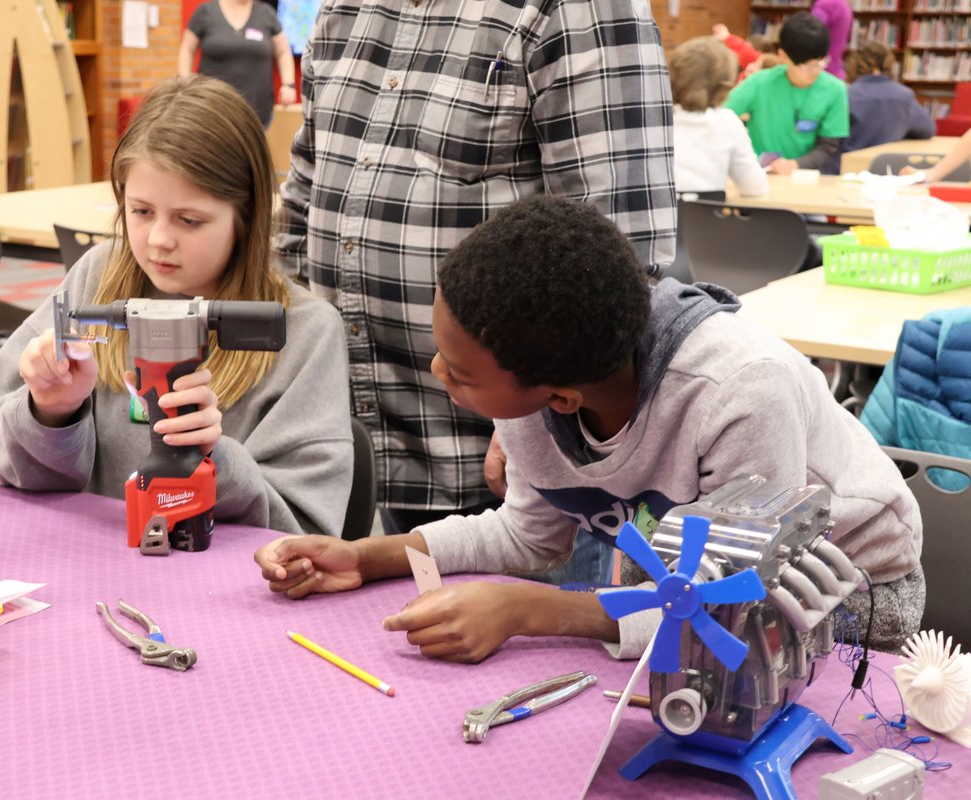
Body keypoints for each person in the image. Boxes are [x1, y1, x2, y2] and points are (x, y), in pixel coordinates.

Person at [255, 194, 924, 663]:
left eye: (459, 371)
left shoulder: (738, 392)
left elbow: (729, 606)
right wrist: (365, 558)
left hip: (851, 589)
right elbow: (525, 535)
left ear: (563, 397)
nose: (437, 371)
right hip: (689, 580)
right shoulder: (542, 387)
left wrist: (527, 613)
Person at [273, 0, 676, 548]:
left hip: (525, 461)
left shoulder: (573, 8)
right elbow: (302, 202)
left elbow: (620, 253)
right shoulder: (345, 8)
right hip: (368, 429)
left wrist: (532, 429)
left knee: (557, 628)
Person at [0, 76, 353, 536]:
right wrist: (50, 413)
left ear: (247, 219)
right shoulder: (97, 278)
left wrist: (214, 463)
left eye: (189, 220)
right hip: (86, 568)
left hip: (216, 598)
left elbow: (308, 532)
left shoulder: (305, 333)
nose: (159, 240)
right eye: (141, 211)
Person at [725, 12, 849, 175]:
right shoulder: (759, 83)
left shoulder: (835, 90)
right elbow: (719, 117)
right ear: (783, 56)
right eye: (807, 67)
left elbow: (828, 147)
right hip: (758, 175)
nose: (815, 72)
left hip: (807, 178)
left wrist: (795, 164)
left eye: (821, 63)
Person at [670, 37, 768, 199]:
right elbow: (755, 187)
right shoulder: (727, 122)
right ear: (725, 86)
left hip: (659, 220)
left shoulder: (654, 119)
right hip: (707, 220)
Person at [177, 0, 297, 127]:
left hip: (257, 113)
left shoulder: (266, 13)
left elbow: (283, 52)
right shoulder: (206, 11)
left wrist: (288, 85)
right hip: (212, 112)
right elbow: (187, 49)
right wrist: (184, 82)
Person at [839, 41, 934, 173]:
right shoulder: (904, 95)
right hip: (890, 171)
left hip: (847, 170)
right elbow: (927, 130)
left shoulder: (845, 94)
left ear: (852, 65)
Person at [811, 0, 853, 80]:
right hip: (836, 70)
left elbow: (811, 35)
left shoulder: (824, 4)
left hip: (820, 72)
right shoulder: (843, 4)